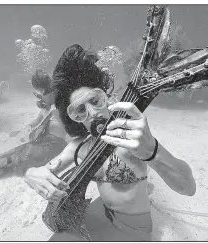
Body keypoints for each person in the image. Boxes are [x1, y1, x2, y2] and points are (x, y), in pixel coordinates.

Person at [24, 44, 196, 241]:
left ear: (106, 97)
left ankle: (146, 191)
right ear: (73, 118)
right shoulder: (81, 147)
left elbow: (188, 189)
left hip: (135, 228)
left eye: (95, 101)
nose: (93, 112)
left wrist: (153, 152)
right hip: (103, 213)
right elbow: (46, 169)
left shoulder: (134, 141)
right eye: (80, 109)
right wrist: (31, 174)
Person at [0, 70, 67, 185]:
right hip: (41, 141)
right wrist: (24, 130)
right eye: (37, 94)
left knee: (11, 160)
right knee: (7, 154)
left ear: (51, 91)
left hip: (52, 147)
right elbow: (37, 120)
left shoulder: (62, 107)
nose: (39, 97)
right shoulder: (48, 105)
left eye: (41, 93)